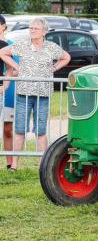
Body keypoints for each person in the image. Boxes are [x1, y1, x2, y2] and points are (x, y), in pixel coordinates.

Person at [0, 18, 71, 171]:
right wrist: (16, 66)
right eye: (31, 28)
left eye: (35, 28)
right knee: (19, 129)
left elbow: (66, 57)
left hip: (43, 94)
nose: (32, 30)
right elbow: (3, 53)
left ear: (44, 32)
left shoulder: (51, 47)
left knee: (41, 130)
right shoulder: (23, 45)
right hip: (23, 93)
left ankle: (42, 165)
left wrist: (54, 68)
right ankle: (14, 165)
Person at [0, 15, 14, 170]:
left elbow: (15, 69)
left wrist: (5, 82)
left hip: (9, 92)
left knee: (8, 128)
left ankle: (10, 163)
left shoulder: (10, 45)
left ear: (4, 26)